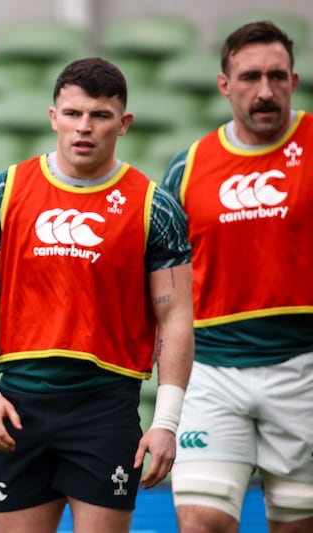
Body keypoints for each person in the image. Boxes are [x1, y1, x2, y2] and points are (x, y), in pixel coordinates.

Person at [0, 57, 195, 533]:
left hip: (106, 408)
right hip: (19, 403)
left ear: (123, 123)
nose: (85, 127)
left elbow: (176, 317)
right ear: (53, 117)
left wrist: (166, 420)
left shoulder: (154, 206)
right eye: (73, 113)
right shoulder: (4, 190)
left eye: (100, 115)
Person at [160, 21, 313, 533]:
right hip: (212, 371)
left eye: (276, 76)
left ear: (294, 80)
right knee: (201, 522)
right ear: (225, 84)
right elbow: (165, 284)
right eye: (249, 77)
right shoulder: (188, 168)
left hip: (304, 370)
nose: (264, 91)